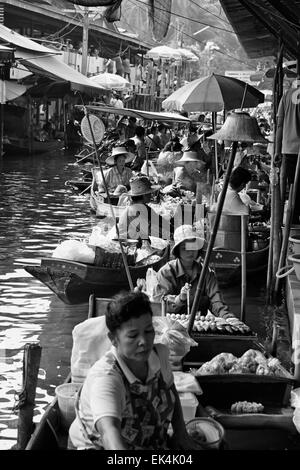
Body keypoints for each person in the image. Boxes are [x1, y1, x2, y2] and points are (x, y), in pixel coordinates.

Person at [68, 291, 200, 450]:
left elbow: (170, 390)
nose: (144, 342)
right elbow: (109, 432)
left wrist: (181, 435)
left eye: (149, 331)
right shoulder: (106, 378)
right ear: (113, 339)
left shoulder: (160, 354)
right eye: (133, 336)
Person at [153, 225, 236, 318]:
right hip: (172, 325)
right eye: (185, 248)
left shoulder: (206, 272)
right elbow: (160, 304)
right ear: (178, 250)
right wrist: (180, 299)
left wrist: (227, 317)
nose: (190, 252)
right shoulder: (166, 272)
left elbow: (216, 299)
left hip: (199, 324)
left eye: (193, 247)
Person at [275, 81, 300, 224]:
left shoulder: (286, 95)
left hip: (288, 150)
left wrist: (277, 150)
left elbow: (279, 125)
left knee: (293, 189)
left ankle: (293, 226)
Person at [118, 175, 173, 240]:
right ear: (143, 195)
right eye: (149, 193)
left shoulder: (145, 207)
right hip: (127, 242)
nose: (151, 195)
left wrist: (173, 228)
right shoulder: (133, 210)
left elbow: (158, 220)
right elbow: (149, 229)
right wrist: (171, 235)